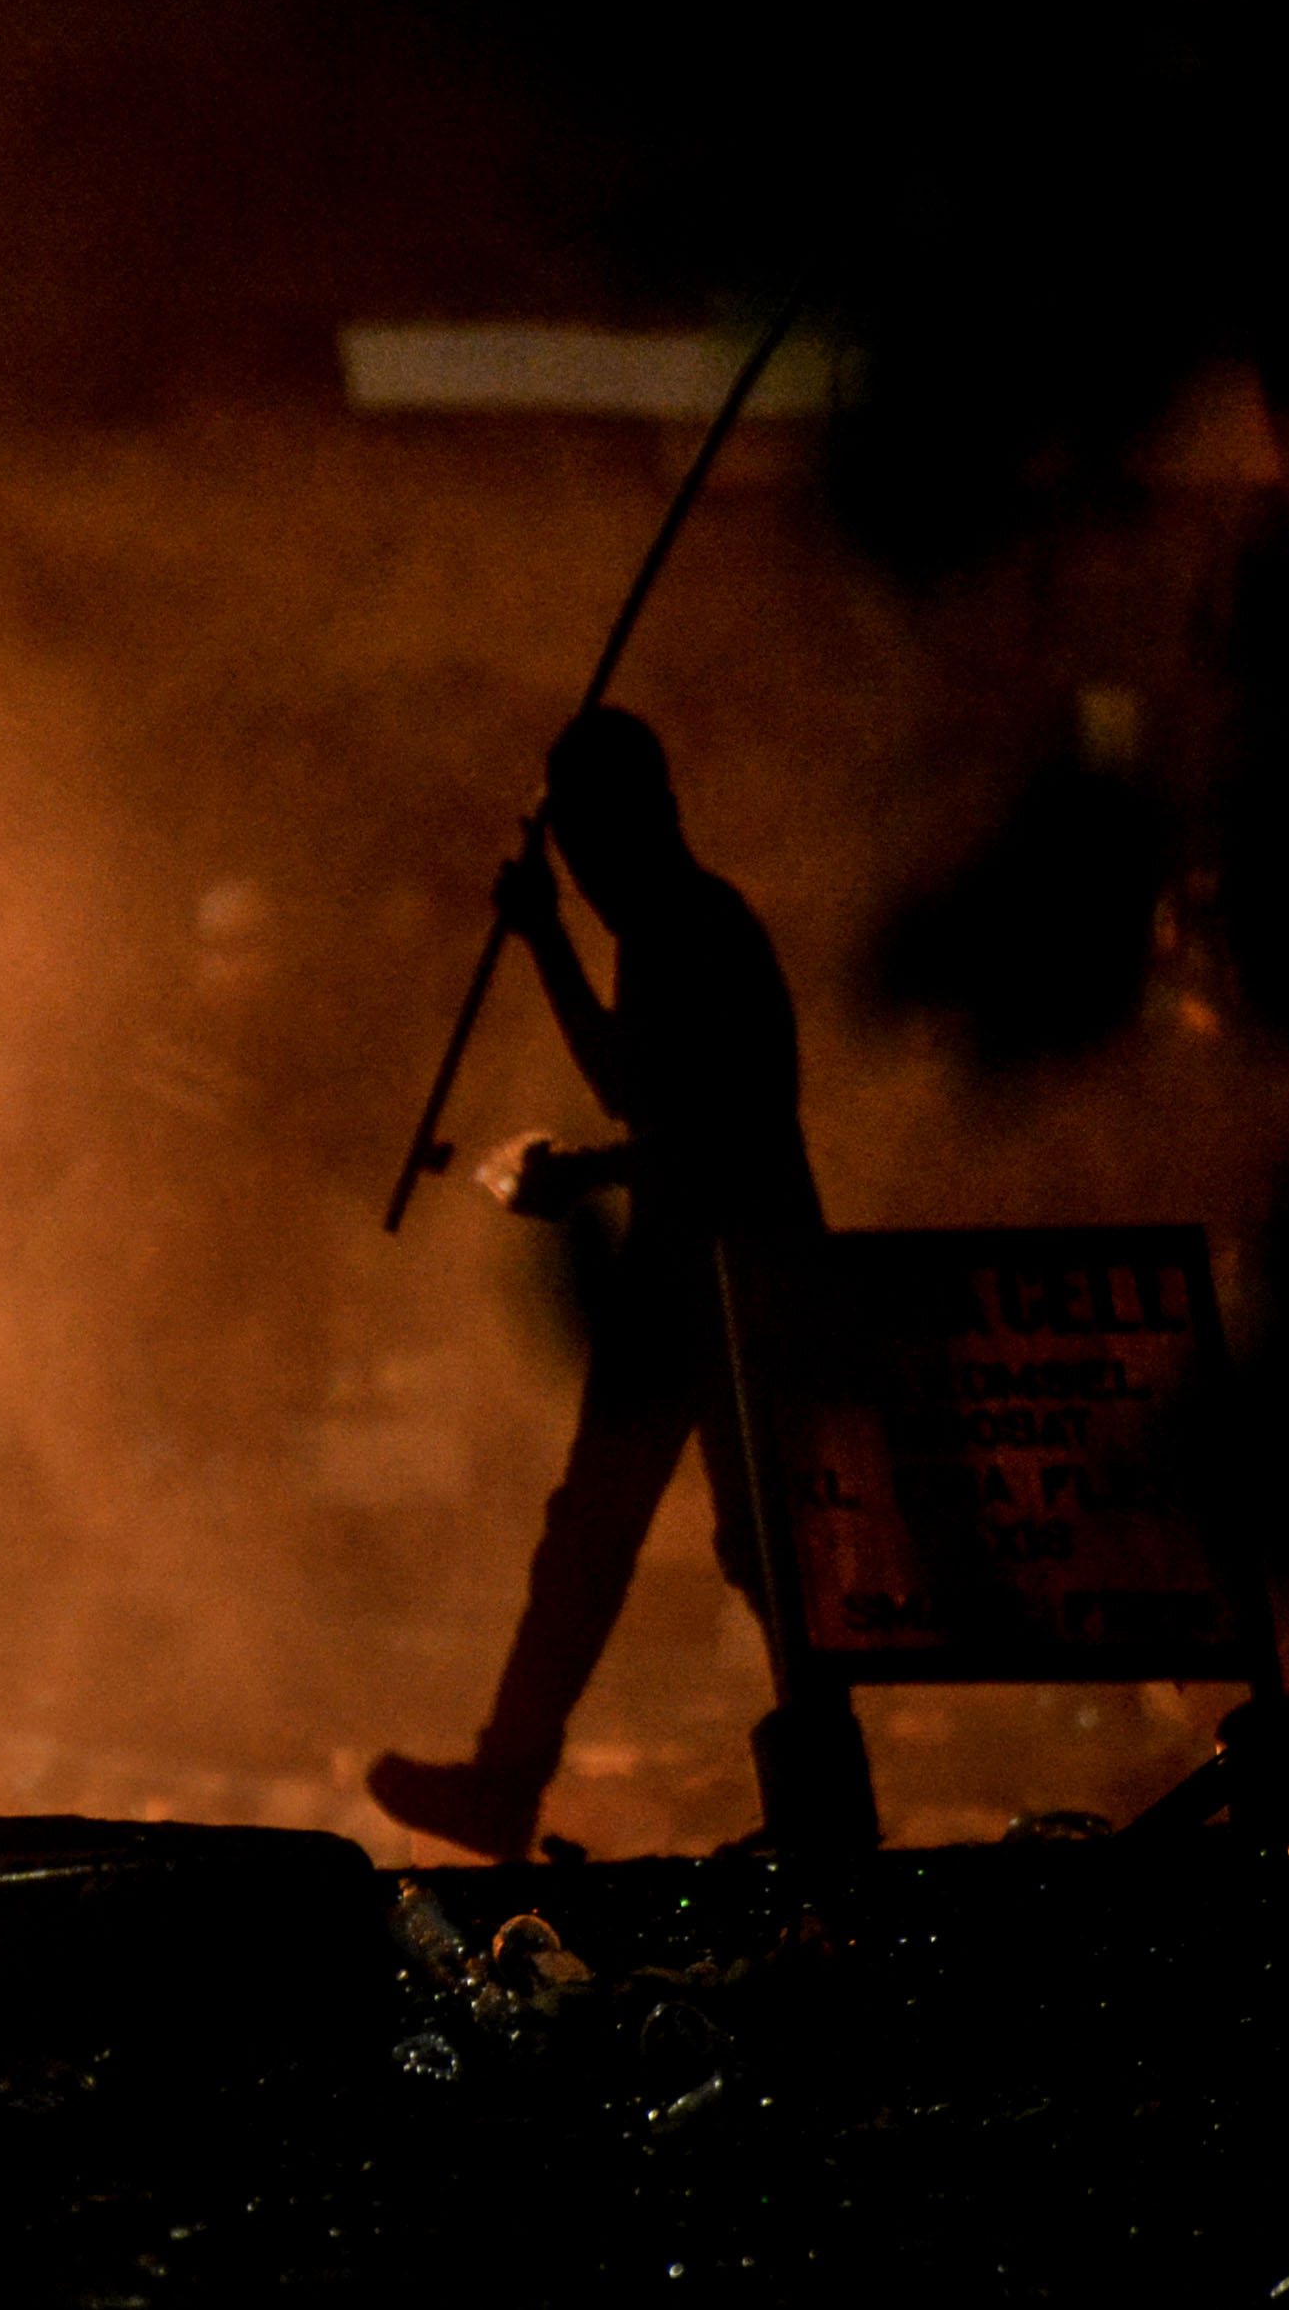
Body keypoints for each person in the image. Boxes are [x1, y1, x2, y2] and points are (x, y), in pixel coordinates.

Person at [369, 707, 830, 1859]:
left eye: (584, 842)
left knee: (751, 1539)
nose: (575, 868)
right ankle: (510, 1780)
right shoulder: (682, 926)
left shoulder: (689, 929)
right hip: (693, 1265)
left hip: (723, 1275)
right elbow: (683, 1117)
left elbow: (666, 1100)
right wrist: (599, 1171)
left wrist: (542, 943)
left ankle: (819, 1790)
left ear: (636, 823)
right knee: (616, 1536)